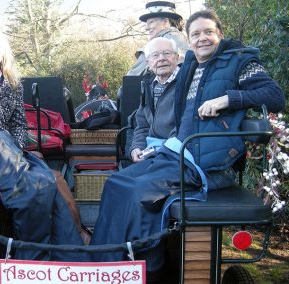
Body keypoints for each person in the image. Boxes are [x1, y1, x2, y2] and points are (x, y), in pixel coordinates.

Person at [90, 9, 285, 283]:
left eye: (208, 32)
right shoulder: (192, 66)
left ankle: (150, 268)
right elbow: (172, 114)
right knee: (116, 183)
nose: (202, 38)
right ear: (189, 40)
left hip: (209, 164)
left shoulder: (239, 61)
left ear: (220, 34)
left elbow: (274, 96)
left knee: (137, 193)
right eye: (195, 34)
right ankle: (102, 261)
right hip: (179, 153)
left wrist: (227, 100)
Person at [0, 25, 90, 255]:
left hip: (10, 151)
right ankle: (70, 241)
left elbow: (19, 124)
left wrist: (19, 150)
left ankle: (75, 237)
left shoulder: (13, 83)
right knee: (49, 179)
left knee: (56, 178)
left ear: (3, 52)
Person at [129, 37, 180, 163]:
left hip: (176, 154)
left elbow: (185, 126)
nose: (161, 58)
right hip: (152, 152)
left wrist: (162, 151)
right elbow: (142, 126)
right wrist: (136, 147)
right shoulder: (148, 86)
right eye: (155, 55)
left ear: (177, 57)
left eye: (167, 53)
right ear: (148, 62)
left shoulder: (187, 84)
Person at [127, 1, 188, 76]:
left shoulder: (159, 44)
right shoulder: (180, 39)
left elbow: (131, 79)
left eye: (151, 22)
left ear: (165, 22)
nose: (146, 28)